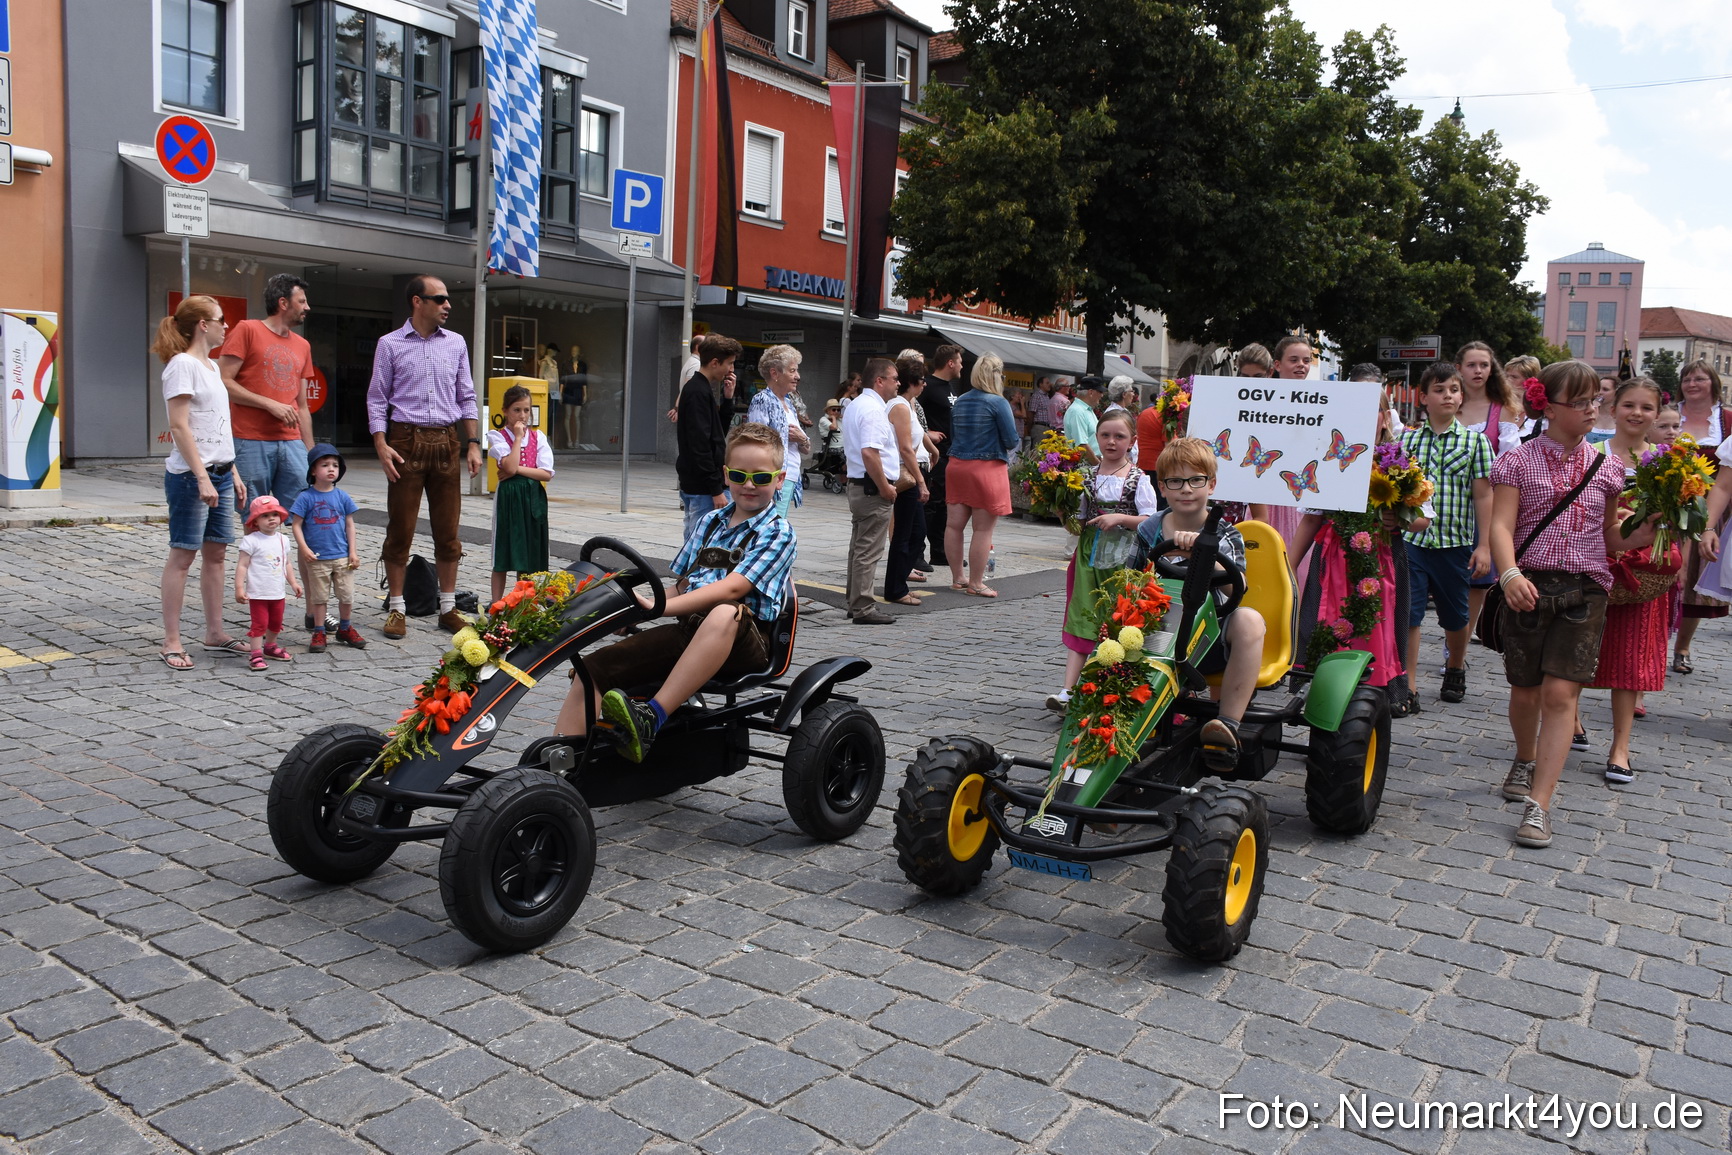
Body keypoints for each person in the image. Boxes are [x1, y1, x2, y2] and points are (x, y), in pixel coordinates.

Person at [554, 422, 797, 760]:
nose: (749, 485)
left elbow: (733, 588)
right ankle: (559, 766)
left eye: (761, 477)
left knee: (726, 610)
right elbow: (680, 586)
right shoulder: (710, 522)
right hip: (691, 631)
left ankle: (652, 716)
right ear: (726, 476)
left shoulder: (777, 532)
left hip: (747, 640)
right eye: (740, 476)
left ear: (779, 479)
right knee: (591, 670)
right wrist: (635, 607)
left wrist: (656, 608)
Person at [1490, 360, 1652, 848]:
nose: (1590, 409)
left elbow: (1607, 537)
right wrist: (1510, 572)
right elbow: (1501, 526)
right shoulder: (1516, 460)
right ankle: (1525, 756)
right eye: (1579, 402)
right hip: (1530, 585)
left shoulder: (1608, 466)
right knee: (1525, 690)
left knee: (1561, 696)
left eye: (1593, 401)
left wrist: (1646, 530)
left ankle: (1540, 805)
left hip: (1586, 589)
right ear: (1548, 406)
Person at [1127, 437, 1268, 770]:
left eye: (1195, 480)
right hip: (1159, 634)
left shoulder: (1225, 532)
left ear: (1211, 484)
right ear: (1162, 486)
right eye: (1175, 481)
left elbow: (1238, 584)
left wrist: (1202, 554)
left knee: (1249, 620)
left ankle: (1228, 723)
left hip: (1211, 638)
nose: (1186, 489)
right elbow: (1128, 583)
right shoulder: (1149, 530)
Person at [367, 275, 482, 638]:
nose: (448, 304)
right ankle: (398, 608)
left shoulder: (457, 343)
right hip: (404, 441)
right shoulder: (390, 344)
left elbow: (467, 395)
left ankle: (447, 608)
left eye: (447, 299)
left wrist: (474, 443)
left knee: (448, 532)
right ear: (418, 302)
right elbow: (376, 397)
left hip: (447, 442)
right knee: (400, 529)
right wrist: (381, 443)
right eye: (440, 299)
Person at [218, 274, 319, 629]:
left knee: (303, 522)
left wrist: (312, 453)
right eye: (302, 301)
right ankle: (259, 611)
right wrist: (270, 405)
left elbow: (302, 406)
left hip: (292, 444)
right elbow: (224, 382)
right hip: (249, 440)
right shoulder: (246, 330)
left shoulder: (302, 346)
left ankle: (314, 612)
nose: (307, 307)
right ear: (283, 303)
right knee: (255, 524)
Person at [154, 295, 247, 671]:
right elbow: (179, 426)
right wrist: (201, 476)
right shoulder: (182, 365)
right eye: (221, 320)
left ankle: (215, 631)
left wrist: (233, 471)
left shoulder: (210, 366)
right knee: (182, 556)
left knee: (217, 555)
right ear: (202, 325)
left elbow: (217, 425)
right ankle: (171, 640)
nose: (227, 326)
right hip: (193, 478)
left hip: (221, 474)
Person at [1047, 410, 1157, 710]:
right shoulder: (1086, 478)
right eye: (1105, 435)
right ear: (1096, 438)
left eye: (1119, 436)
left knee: (1118, 619)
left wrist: (1120, 517)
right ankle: (1068, 690)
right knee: (1084, 616)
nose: (1111, 442)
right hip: (1089, 556)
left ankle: (1110, 686)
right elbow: (1078, 525)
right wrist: (1060, 510)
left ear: (1132, 441)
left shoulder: (1138, 479)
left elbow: (1150, 521)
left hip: (1124, 558)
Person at [1400, 362, 1494, 708]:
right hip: (1413, 543)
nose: (1448, 396)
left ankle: (1455, 665)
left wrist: (1483, 545)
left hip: (1455, 544)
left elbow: (1484, 495)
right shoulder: (1406, 440)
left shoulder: (1476, 442)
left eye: (1453, 389)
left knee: (1455, 616)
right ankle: (1407, 686)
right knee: (1409, 613)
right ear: (1423, 397)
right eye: (1439, 390)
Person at [1588, 377, 1666, 784]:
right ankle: (1572, 720)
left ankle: (1621, 746)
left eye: (1646, 408)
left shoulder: (1666, 462)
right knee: (1578, 647)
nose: (1637, 413)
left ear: (1656, 414)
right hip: (1594, 563)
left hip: (1644, 572)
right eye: (1629, 405)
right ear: (1613, 408)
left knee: (1631, 659)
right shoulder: (1593, 454)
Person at [1672, 359, 1731, 673]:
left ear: (1713, 384)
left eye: (1700, 379)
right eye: (1687, 379)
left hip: (1709, 509)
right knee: (1663, 574)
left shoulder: (1728, 421)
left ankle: (1682, 647)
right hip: (1667, 503)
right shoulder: (1670, 416)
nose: (1692, 384)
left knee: (1695, 582)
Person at [946, 354, 1020, 597]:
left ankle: (958, 578)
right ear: (997, 375)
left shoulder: (961, 401)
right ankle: (976, 583)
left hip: (957, 465)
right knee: (982, 530)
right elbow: (1011, 440)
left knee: (954, 526)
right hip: (986, 468)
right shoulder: (998, 403)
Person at [290, 444, 367, 654]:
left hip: (342, 557)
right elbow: (296, 525)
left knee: (346, 595)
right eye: (325, 465)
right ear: (313, 471)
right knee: (319, 597)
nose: (331, 469)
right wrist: (303, 548)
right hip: (317, 558)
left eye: (335, 465)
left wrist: (353, 552)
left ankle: (345, 627)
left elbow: (350, 525)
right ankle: (319, 630)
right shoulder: (305, 497)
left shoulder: (342, 496)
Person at [842, 358, 903, 624]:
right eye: (894, 378)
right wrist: (885, 488)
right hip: (871, 488)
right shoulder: (873, 409)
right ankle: (863, 607)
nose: (898, 383)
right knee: (868, 550)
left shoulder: (857, 404)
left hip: (860, 485)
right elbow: (870, 452)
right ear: (879, 381)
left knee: (858, 548)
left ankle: (855, 603)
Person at [488, 385, 555, 604]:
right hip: (508, 499)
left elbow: (546, 473)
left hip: (532, 499)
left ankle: (524, 603)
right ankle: (495, 604)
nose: (523, 415)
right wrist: (517, 438)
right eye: (517, 410)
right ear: (505, 411)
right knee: (504, 552)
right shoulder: (497, 436)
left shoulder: (539, 436)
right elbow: (509, 465)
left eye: (526, 410)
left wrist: (515, 470)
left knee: (528, 553)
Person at [1249, 336, 1315, 552]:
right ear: (1277, 365)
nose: (1301, 365)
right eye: (1294, 360)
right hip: (1263, 494)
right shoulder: (1259, 401)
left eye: (1306, 360)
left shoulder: (1320, 401)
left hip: (1301, 494)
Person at [675, 334, 742, 540]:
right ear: (715, 363)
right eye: (729, 363)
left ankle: (690, 573)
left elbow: (716, 433)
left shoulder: (701, 388)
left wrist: (728, 399)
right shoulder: (697, 390)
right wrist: (715, 489)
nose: (731, 369)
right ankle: (692, 574)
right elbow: (700, 445)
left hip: (702, 483)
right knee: (702, 543)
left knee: (701, 540)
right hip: (703, 486)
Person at [885, 357, 936, 606]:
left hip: (909, 473)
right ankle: (895, 587)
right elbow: (906, 449)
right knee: (909, 533)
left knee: (915, 532)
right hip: (905, 475)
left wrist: (933, 452)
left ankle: (898, 584)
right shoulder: (900, 407)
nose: (925, 384)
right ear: (913, 382)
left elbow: (918, 439)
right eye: (922, 380)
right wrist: (921, 482)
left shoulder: (907, 404)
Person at [235, 496, 304, 672]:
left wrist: (294, 582)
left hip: (277, 592)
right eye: (265, 516)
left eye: (275, 514)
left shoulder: (283, 539)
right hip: (258, 593)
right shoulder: (251, 540)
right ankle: (256, 653)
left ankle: (270, 646)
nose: (272, 518)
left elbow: (286, 563)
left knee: (276, 622)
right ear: (256, 521)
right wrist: (239, 588)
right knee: (259, 624)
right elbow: (242, 565)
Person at [746, 344, 809, 518]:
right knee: (770, 526)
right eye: (792, 371)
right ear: (775, 373)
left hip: (788, 476)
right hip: (772, 477)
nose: (797, 376)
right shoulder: (762, 400)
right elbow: (756, 442)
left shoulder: (789, 403)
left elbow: (806, 447)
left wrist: (801, 438)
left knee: (776, 524)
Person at [921, 345, 964, 569]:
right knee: (932, 504)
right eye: (959, 361)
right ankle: (919, 552)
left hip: (950, 454)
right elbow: (910, 415)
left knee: (944, 506)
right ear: (950, 363)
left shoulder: (950, 387)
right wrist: (926, 433)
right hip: (933, 455)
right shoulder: (927, 386)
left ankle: (941, 552)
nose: (962, 365)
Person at [1065, 376, 1104, 460]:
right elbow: (1082, 446)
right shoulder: (1077, 411)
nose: (1102, 395)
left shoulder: (1086, 409)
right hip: (1086, 467)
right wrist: (1099, 467)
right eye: (1100, 391)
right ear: (1091, 392)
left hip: (1092, 464)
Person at [668, 334, 704, 422]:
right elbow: (687, 388)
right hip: (691, 412)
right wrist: (677, 408)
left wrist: (677, 408)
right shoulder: (696, 364)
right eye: (706, 345)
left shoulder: (691, 361)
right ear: (698, 347)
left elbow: (684, 389)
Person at [1586, 376, 1619, 445]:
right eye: (1598, 389)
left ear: (1616, 393)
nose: (1599, 392)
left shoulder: (1620, 417)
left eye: (1605, 389)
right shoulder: (1588, 413)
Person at [1029, 376, 1061, 446]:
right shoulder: (1036, 396)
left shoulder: (1048, 396)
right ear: (1041, 384)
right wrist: (1029, 427)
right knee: (1038, 451)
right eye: (1047, 383)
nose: (1049, 384)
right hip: (1040, 427)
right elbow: (1031, 412)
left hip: (1048, 427)